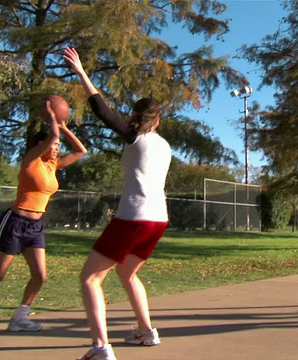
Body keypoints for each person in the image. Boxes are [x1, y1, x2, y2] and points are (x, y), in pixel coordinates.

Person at [64, 47, 172, 360]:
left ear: (136, 117)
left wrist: (82, 73)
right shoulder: (163, 145)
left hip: (134, 218)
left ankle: (100, 348)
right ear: (159, 120)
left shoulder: (135, 137)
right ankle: (146, 331)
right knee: (127, 273)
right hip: (158, 220)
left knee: (90, 278)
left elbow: (103, 111)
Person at [0, 100, 87, 333]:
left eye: (57, 146)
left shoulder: (53, 166)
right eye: (53, 145)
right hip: (14, 222)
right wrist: (54, 118)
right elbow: (51, 136)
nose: (57, 148)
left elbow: (81, 151)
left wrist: (64, 127)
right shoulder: (30, 161)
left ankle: (19, 319)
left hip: (35, 226)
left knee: (40, 276)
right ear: (40, 145)